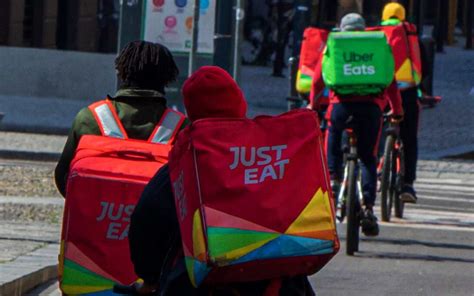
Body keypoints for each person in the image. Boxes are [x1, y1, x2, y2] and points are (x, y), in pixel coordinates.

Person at [128, 66, 315, 295]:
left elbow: (146, 219)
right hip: (278, 286)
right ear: (239, 104)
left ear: (192, 113)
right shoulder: (271, 156)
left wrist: (150, 277)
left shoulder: (185, 165)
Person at [310, 13, 403, 236]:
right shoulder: (377, 47)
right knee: (367, 157)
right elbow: (390, 82)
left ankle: (333, 177)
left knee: (333, 131)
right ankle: (369, 208)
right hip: (371, 108)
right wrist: (397, 110)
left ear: (342, 29)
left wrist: (313, 106)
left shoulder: (334, 44)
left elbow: (317, 79)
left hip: (341, 106)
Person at [54, 41, 187, 197]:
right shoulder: (181, 127)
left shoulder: (90, 117)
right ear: (167, 78)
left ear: (121, 72)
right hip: (156, 220)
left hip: (98, 216)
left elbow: (62, 175)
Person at [381, 2, 422, 203]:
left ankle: (380, 164)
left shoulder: (376, 34)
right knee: (409, 138)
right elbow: (424, 69)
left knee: (377, 129)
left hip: (381, 93)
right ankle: (408, 184)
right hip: (407, 93)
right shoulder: (412, 36)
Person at [268, 0, 295, 77]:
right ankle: (277, 68)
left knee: (280, 43)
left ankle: (278, 67)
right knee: (280, 42)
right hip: (283, 12)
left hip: (283, 11)